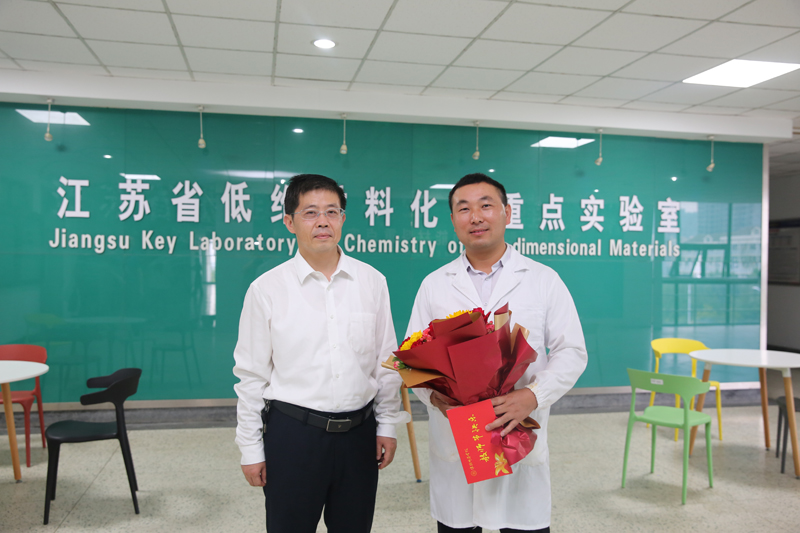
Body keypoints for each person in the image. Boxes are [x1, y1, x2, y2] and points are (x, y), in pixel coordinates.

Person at [407, 173, 588, 533]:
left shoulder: (543, 279)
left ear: (507, 212)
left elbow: (571, 351)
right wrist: (435, 398)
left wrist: (532, 395)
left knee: (521, 523)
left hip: (518, 434)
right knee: (458, 524)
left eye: (486, 205)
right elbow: (414, 360)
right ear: (453, 220)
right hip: (459, 439)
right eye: (464, 209)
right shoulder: (434, 285)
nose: (475, 217)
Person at [233, 174, 410, 533]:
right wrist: (250, 448)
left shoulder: (372, 281)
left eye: (332, 211)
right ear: (289, 222)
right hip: (293, 436)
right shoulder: (266, 289)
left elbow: (386, 364)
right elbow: (251, 376)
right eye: (310, 212)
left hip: (359, 435)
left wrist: (387, 425)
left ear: (343, 219)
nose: (323, 221)